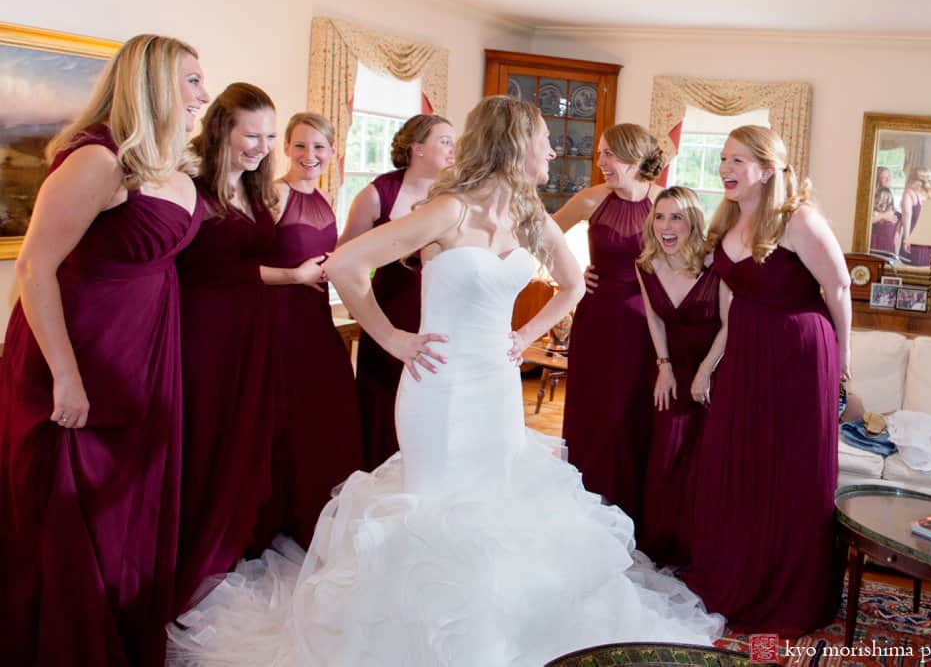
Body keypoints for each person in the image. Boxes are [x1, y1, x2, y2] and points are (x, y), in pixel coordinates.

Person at [167, 95, 725, 666]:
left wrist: (523, 336)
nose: (554, 150)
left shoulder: (527, 215)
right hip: (439, 388)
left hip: (497, 389)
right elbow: (346, 265)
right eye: (543, 140)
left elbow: (572, 285)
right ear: (513, 144)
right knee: (434, 513)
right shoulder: (449, 211)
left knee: (493, 510)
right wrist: (391, 338)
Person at [0, 34, 208, 666]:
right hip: (81, 356)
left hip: (144, 355)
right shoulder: (96, 160)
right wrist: (65, 376)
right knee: (68, 515)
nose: (204, 94)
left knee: (127, 511)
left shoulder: (167, 163)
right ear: (152, 84)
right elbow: (34, 269)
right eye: (192, 81)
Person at [685, 125, 850, 637]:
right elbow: (732, 300)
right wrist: (713, 362)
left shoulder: (798, 220)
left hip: (800, 354)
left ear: (767, 168)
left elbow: (839, 288)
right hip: (748, 352)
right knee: (737, 463)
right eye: (723, 160)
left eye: (737, 161)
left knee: (789, 473)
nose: (726, 170)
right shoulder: (729, 218)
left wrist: (842, 366)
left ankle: (788, 592)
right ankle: (737, 578)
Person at [174, 84, 327, 612]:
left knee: (246, 443)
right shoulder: (191, 185)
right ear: (222, 129)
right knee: (210, 440)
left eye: (267, 135)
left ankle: (234, 544)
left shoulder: (257, 188)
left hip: (253, 331)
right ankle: (195, 556)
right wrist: (290, 274)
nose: (262, 145)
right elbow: (196, 268)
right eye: (251, 134)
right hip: (206, 333)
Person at [260, 112, 364, 547]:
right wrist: (295, 277)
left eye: (319, 147)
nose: (310, 155)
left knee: (327, 415)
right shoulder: (273, 196)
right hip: (276, 324)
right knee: (281, 421)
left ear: (332, 152)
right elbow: (242, 269)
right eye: (300, 146)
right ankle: (276, 517)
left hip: (315, 321)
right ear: (285, 148)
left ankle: (315, 515)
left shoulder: (324, 201)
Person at [553, 123, 664, 522]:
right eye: (600, 154)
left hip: (646, 325)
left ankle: (632, 511)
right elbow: (544, 234)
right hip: (598, 318)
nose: (600, 163)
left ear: (634, 158)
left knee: (632, 414)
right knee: (593, 413)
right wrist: (570, 274)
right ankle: (587, 507)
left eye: (609, 155)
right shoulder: (591, 200)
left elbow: (689, 261)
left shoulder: (664, 203)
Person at [339, 114, 454, 470]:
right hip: (390, 310)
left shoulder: (453, 195)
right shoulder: (378, 194)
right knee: (384, 402)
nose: (454, 149)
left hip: (440, 314)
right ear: (417, 148)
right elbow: (344, 256)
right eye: (445, 141)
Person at [634, 186, 721, 568]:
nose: (666, 227)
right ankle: (665, 548)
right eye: (659, 217)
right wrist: (663, 365)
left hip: (717, 369)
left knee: (707, 461)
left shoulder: (716, 263)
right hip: (673, 369)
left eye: (676, 218)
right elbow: (653, 316)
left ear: (693, 222)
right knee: (667, 455)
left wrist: (705, 371)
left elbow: (731, 325)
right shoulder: (646, 264)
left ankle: (703, 548)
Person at [899, 166, 931, 267]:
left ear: (912, 177)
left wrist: (906, 239)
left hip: (915, 242)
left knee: (911, 274)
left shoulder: (910, 193)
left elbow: (907, 215)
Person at [869, 166, 899, 258]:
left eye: (889, 176)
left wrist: (897, 231)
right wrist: (884, 216)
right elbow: (867, 220)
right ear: (877, 179)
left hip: (888, 239)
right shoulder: (871, 195)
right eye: (884, 177)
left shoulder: (888, 193)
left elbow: (896, 214)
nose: (888, 179)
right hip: (876, 240)